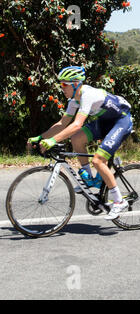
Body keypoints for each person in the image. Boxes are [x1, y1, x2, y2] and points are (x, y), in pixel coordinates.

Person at [27, 66, 133, 220]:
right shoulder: (73, 101)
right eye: (61, 84)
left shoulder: (87, 95)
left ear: (76, 83)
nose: (61, 88)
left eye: (64, 84)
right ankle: (89, 179)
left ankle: (119, 200)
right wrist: (40, 137)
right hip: (104, 122)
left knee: (98, 160)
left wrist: (53, 140)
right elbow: (62, 124)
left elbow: (76, 124)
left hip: (121, 121)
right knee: (76, 138)